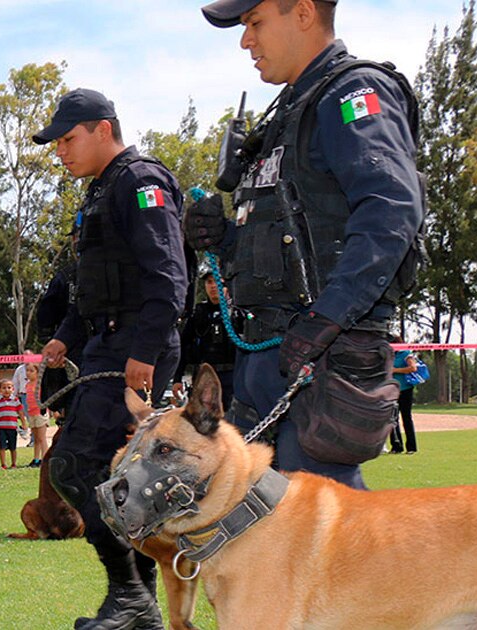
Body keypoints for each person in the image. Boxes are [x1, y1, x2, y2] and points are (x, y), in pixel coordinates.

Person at [187, 0, 425, 489]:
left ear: (302, 13)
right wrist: (224, 239)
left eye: (254, 23)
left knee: (320, 538)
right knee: (268, 538)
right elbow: (290, 244)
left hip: (320, 360)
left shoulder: (353, 92)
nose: (245, 40)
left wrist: (328, 319)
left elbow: (390, 211)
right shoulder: (289, 111)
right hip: (267, 354)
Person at [35, 88, 188, 629]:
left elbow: (169, 277)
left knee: (82, 467)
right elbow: (88, 290)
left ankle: (134, 597)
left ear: (104, 129)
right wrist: (65, 338)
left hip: (136, 348)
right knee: (86, 468)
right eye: (56, 143)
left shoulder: (140, 181)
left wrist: (144, 353)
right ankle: (136, 600)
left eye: (68, 139)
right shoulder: (99, 193)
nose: (60, 152)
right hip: (105, 342)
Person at [172, 271, 237, 408]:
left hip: (233, 378)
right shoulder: (198, 315)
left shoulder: (237, 314)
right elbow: (183, 347)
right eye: (209, 282)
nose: (213, 286)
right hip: (203, 377)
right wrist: (177, 379)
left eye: (218, 282)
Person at [389, 334, 419, 454]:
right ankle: (396, 446)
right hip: (391, 390)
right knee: (392, 419)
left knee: (406, 418)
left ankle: (411, 447)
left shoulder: (405, 353)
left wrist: (395, 370)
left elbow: (413, 368)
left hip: (405, 389)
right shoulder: (389, 355)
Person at [0, 379, 27, 469]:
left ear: (13, 389)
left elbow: (21, 413)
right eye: (4, 388)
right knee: (2, 447)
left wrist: (24, 423)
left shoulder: (15, 400)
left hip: (12, 427)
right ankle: (3, 464)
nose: (6, 390)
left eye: (9, 387)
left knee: (13, 447)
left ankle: (13, 464)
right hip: (1, 428)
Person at [24, 362, 49, 467]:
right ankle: (36, 459)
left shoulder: (40, 384)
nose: (28, 373)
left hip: (40, 412)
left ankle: (46, 459)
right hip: (31, 413)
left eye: (31, 371)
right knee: (36, 437)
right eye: (27, 370)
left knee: (42, 437)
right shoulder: (27, 385)